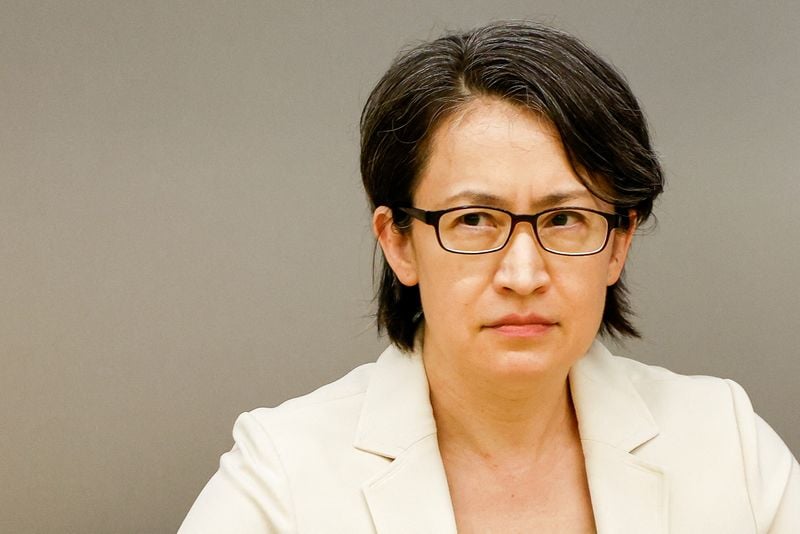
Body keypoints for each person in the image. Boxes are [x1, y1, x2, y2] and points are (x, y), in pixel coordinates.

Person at [178, 20, 799, 533]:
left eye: (564, 219)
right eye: (473, 219)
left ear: (619, 243)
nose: (523, 275)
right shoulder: (282, 474)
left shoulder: (726, 440)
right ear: (399, 242)